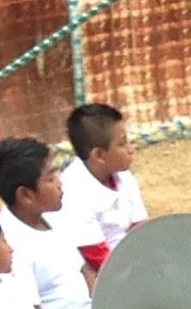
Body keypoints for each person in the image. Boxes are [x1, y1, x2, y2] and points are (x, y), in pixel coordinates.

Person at [0, 137, 98, 309]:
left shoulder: (51, 217)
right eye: (50, 178)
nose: (60, 182)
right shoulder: (12, 246)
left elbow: (84, 270)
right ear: (26, 195)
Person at [56, 103, 147, 258]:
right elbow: (98, 259)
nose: (131, 149)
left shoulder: (124, 176)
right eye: (122, 143)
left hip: (130, 259)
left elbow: (141, 231)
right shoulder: (73, 194)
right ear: (99, 155)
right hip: (106, 268)